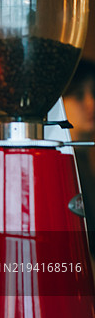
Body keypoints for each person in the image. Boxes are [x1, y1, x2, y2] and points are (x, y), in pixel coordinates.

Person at [63, 58, 95, 260]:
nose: (91, 104)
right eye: (78, 95)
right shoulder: (61, 167)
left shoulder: (83, 159)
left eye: (94, 93)